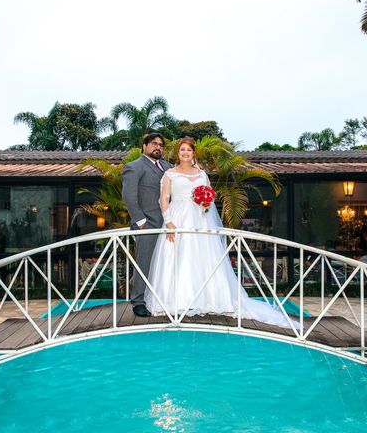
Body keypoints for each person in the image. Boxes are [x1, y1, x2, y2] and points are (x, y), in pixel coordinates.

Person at [144, 137, 298, 329]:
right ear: (178, 153)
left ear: (193, 153)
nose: (185, 153)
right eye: (182, 150)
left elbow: (208, 197)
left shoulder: (202, 174)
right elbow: (163, 200)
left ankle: (212, 300)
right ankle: (177, 301)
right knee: (179, 258)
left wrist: (205, 202)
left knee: (204, 257)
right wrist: (169, 223)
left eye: (189, 150)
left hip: (201, 220)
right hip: (178, 221)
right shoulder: (169, 174)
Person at [122, 133, 173, 317]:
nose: (157, 147)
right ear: (144, 146)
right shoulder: (134, 167)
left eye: (160, 144)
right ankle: (138, 301)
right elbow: (128, 196)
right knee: (144, 262)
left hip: (169, 225)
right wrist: (141, 221)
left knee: (165, 263)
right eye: (153, 144)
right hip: (148, 224)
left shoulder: (168, 167)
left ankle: (163, 298)